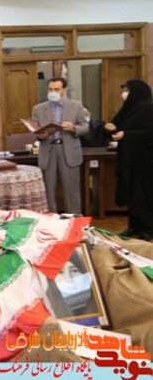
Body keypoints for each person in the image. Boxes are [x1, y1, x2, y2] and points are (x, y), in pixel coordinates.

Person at [104, 79, 153, 240]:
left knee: (143, 194)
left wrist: (126, 135)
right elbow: (122, 127)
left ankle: (147, 229)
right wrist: (113, 128)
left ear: (137, 92)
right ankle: (134, 227)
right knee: (131, 194)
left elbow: (149, 133)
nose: (124, 94)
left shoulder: (149, 109)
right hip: (129, 159)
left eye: (127, 90)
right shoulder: (130, 108)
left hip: (145, 161)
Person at [31, 76, 88, 214]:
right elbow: (35, 130)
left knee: (71, 190)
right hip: (48, 150)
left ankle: (74, 219)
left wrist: (73, 127)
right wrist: (40, 135)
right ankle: (51, 220)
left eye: (57, 89)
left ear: (64, 90)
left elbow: (85, 127)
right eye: (50, 89)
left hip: (68, 151)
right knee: (48, 190)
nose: (53, 92)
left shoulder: (76, 106)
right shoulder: (38, 109)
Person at [46, 250, 97, 318]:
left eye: (74, 271)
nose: (69, 278)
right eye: (60, 272)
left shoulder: (99, 302)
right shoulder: (47, 310)